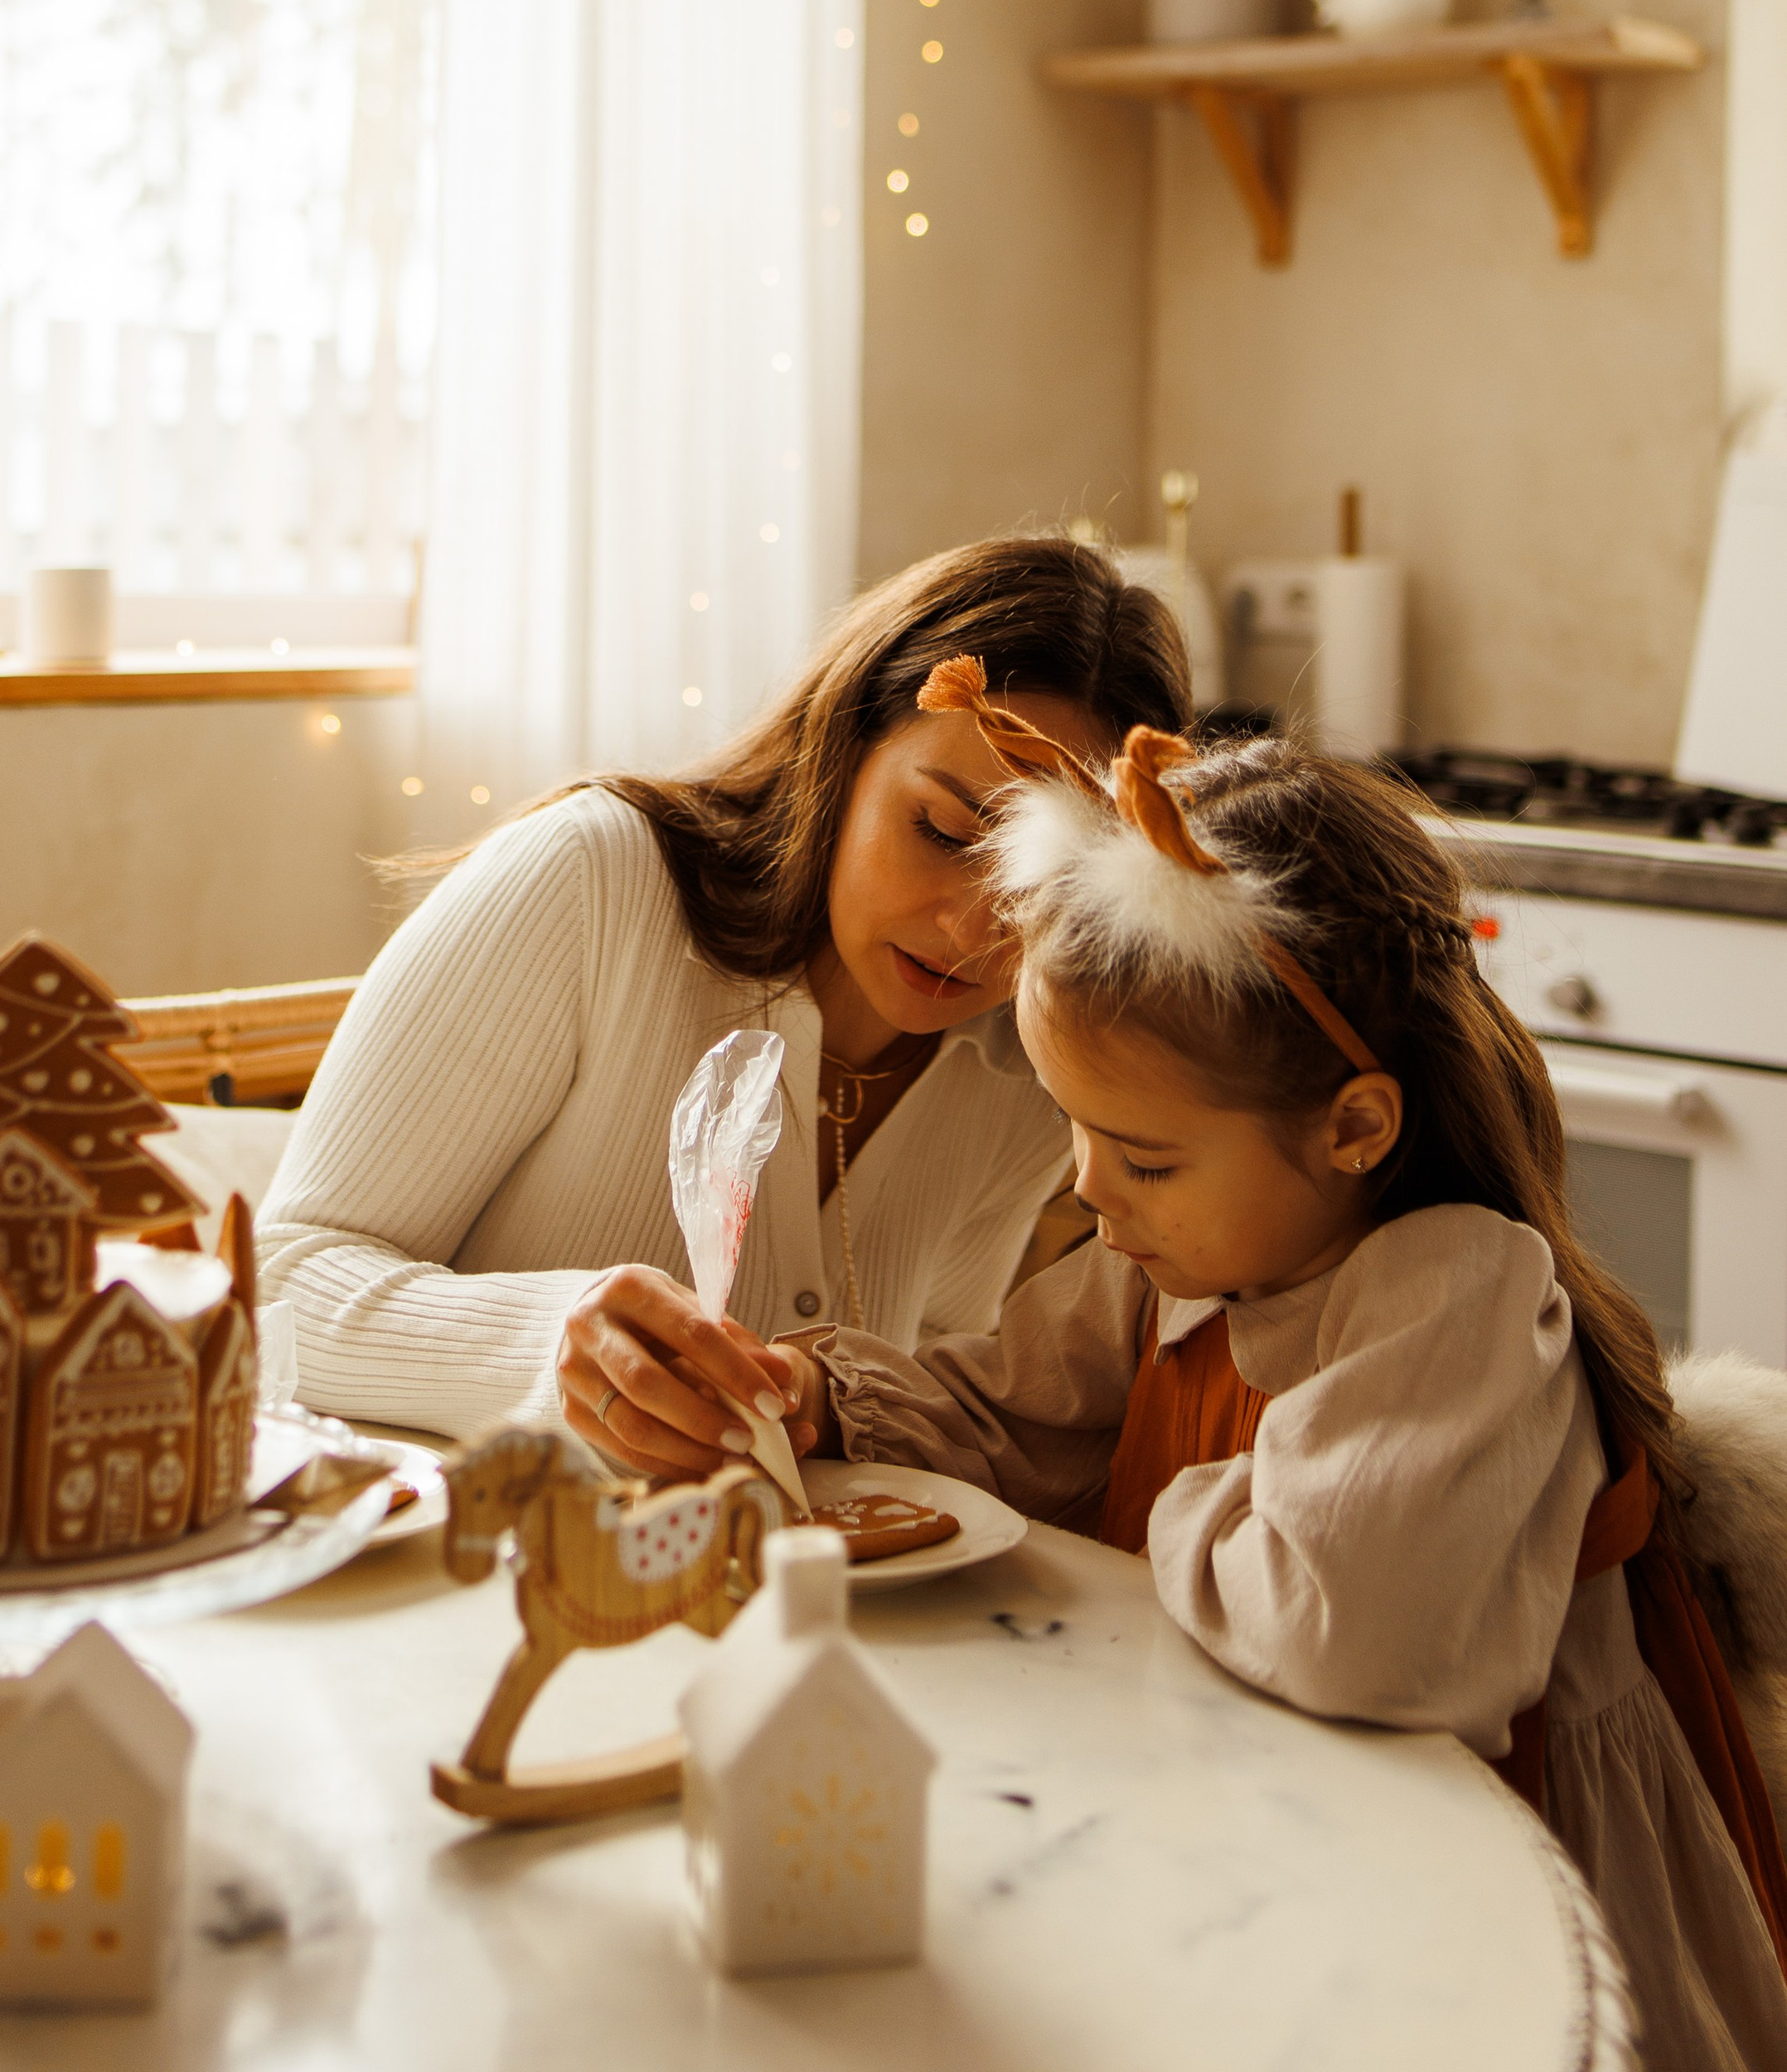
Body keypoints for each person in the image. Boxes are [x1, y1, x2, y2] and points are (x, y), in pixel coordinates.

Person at [752, 664, 1787, 2072]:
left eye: (1146, 1154)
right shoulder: (1179, 1256)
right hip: (1285, 1818)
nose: (1092, 1194)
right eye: (1078, 1131)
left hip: (1502, 1889)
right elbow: (1007, 1412)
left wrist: (1158, 1507)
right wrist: (811, 1390)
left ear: (1355, 1126)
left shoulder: (1457, 1295)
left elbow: (1351, 1635)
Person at [255, 537, 1189, 1460]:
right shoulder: (593, 883)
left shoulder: (1037, 1074)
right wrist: (553, 1342)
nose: (973, 928)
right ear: (843, 746)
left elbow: (928, 1387)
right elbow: (278, 1281)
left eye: (1041, 880)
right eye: (942, 831)